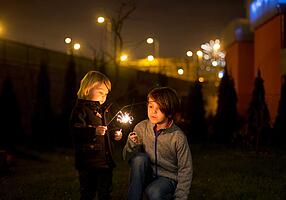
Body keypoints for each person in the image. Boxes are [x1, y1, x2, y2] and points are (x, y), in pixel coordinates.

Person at [123, 87, 193, 200]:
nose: (153, 111)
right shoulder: (141, 128)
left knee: (154, 191)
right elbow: (127, 158)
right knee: (139, 158)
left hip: (167, 179)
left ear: (169, 112)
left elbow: (185, 169)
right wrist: (131, 144)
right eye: (151, 106)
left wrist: (180, 197)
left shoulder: (177, 137)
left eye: (159, 108)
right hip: (146, 175)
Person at [70, 71, 122, 200]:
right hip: (88, 162)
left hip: (105, 162)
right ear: (87, 89)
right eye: (100, 92)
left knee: (105, 192)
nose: (103, 97)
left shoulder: (104, 110)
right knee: (88, 192)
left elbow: (108, 128)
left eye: (106, 94)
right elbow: (76, 131)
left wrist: (115, 134)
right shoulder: (80, 110)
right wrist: (94, 131)